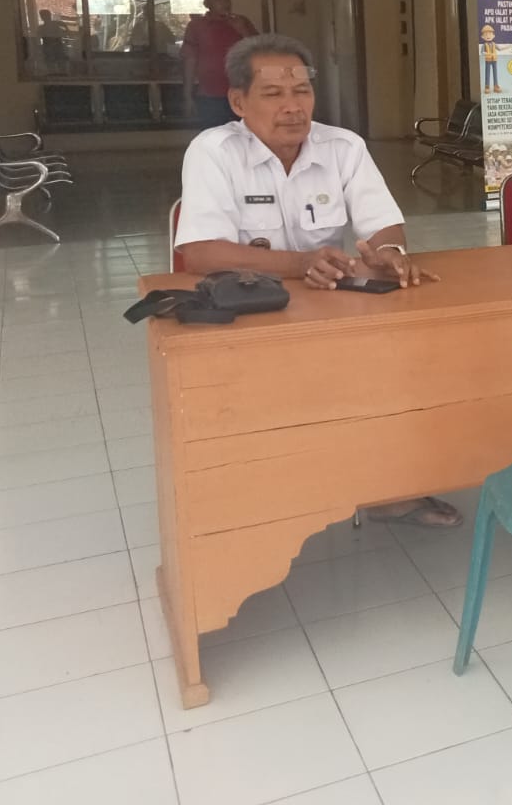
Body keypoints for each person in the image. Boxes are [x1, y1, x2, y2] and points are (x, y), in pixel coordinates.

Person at [173, 33, 458, 528]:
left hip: (326, 308)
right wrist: (300, 263)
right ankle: (271, 497)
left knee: (409, 358)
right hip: (246, 315)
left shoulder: (343, 146)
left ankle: (384, 487)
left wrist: (389, 253)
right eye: (273, 94)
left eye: (302, 91)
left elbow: (382, 223)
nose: (292, 107)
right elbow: (199, 252)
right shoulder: (213, 151)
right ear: (238, 102)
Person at [181, 0, 259, 127]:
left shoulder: (242, 22)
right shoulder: (196, 26)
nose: (225, 3)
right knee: (214, 136)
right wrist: (187, 96)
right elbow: (190, 60)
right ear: (206, 4)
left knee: (246, 135)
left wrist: (243, 31)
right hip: (210, 94)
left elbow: (260, 53)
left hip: (242, 92)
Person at [480, 25, 500, 93]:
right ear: (482, 36)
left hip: (494, 60)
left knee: (495, 73)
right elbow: (482, 52)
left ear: (493, 35)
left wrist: (508, 47)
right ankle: (487, 86)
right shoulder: (484, 45)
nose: (488, 36)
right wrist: (487, 53)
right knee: (487, 73)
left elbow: (499, 49)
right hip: (488, 60)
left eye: (490, 34)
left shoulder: (494, 44)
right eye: (486, 34)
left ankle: (496, 86)